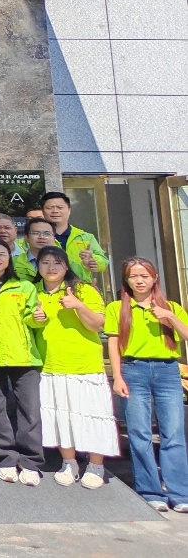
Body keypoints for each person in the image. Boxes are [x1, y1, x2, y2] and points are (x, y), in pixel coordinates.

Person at [106, 257, 188, 512]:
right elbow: (113, 344)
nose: (139, 281)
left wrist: (169, 317)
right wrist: (117, 376)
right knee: (139, 433)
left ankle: (179, 493)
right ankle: (150, 491)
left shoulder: (171, 307)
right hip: (133, 370)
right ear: (126, 280)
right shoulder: (117, 308)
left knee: (173, 433)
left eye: (144, 276)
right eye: (133, 276)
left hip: (167, 371)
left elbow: (186, 334)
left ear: (154, 278)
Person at [34, 245, 118, 489]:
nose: (51, 268)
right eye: (45, 262)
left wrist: (78, 306)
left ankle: (96, 465)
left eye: (57, 263)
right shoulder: (33, 291)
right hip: (50, 365)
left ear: (66, 266)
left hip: (84, 366)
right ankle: (69, 462)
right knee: (61, 415)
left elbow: (99, 324)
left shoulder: (83, 289)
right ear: (37, 266)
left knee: (92, 415)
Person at [0, 238, 45, 486]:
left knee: (30, 411)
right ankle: (6, 458)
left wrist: (39, 317)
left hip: (23, 357)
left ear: (9, 258)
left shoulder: (24, 286)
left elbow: (32, 317)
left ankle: (31, 461)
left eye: (2, 254)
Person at [40, 192, 108, 284]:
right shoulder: (36, 238)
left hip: (81, 287)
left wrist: (93, 261)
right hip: (48, 287)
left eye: (60, 207)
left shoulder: (85, 237)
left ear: (69, 211)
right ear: (43, 212)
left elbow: (103, 262)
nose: (55, 211)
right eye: (49, 208)